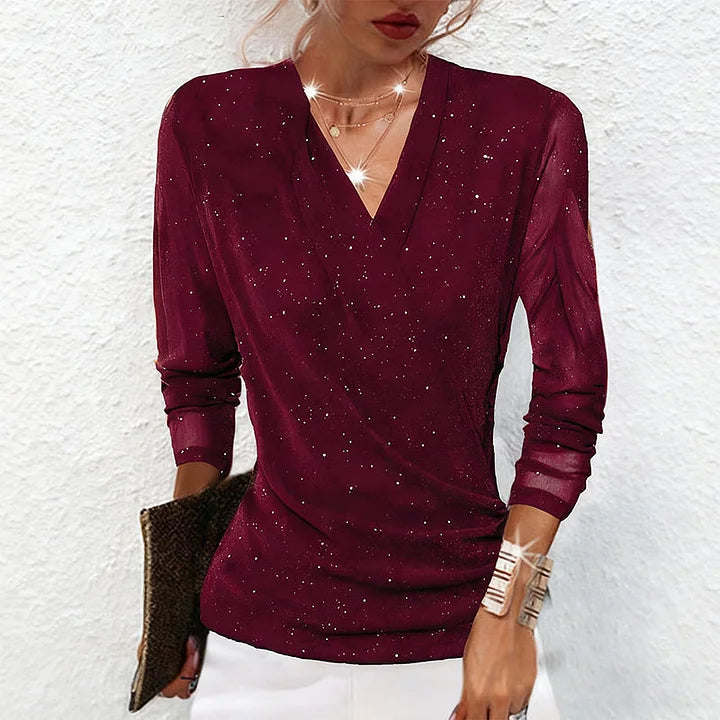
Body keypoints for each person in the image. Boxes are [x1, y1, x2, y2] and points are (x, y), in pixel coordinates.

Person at [141, 0, 608, 718]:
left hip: (466, 645)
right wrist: (174, 597)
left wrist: (512, 611)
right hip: (261, 650)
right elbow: (198, 382)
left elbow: (570, 396)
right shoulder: (210, 123)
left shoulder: (526, 126)